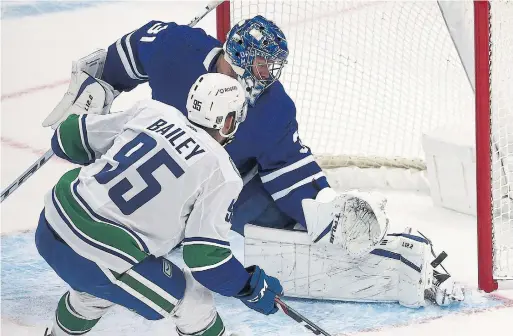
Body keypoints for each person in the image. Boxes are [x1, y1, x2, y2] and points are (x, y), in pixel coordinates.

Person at [43, 15, 463, 308]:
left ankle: (405, 259)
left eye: (272, 67)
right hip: (164, 166)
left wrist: (323, 207)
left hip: (228, 185)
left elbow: (291, 170)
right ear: (235, 55)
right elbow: (134, 51)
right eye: (260, 64)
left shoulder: (273, 108)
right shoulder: (180, 48)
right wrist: (104, 81)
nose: (267, 75)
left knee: (293, 225)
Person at [36, 73, 284, 336]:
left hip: (52, 222)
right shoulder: (222, 172)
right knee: (194, 304)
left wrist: (88, 112)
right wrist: (249, 286)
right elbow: (206, 262)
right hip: (101, 253)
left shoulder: (152, 111)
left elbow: (67, 139)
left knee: (95, 293)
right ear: (229, 121)